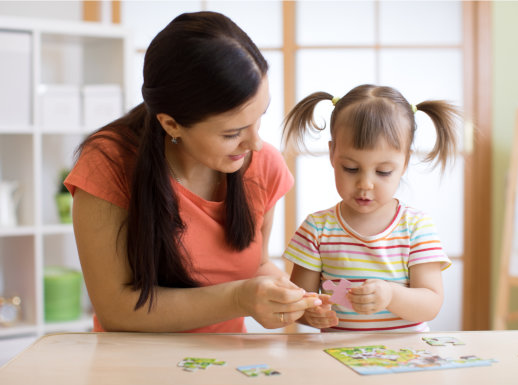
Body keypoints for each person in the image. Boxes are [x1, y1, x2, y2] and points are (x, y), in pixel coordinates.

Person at [64, 11, 320, 333]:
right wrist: (239, 299)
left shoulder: (262, 164)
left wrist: (297, 301)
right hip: (134, 368)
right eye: (232, 133)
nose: (256, 143)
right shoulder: (110, 162)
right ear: (171, 124)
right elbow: (116, 309)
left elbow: (256, 266)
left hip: (230, 366)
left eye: (260, 117)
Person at [282, 84, 460, 332]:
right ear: (333, 153)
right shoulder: (317, 229)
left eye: (383, 172)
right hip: (336, 359)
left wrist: (391, 295)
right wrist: (308, 314)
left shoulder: (416, 227)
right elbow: (300, 300)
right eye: (351, 169)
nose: (365, 184)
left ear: (405, 162)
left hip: (407, 360)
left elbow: (431, 304)